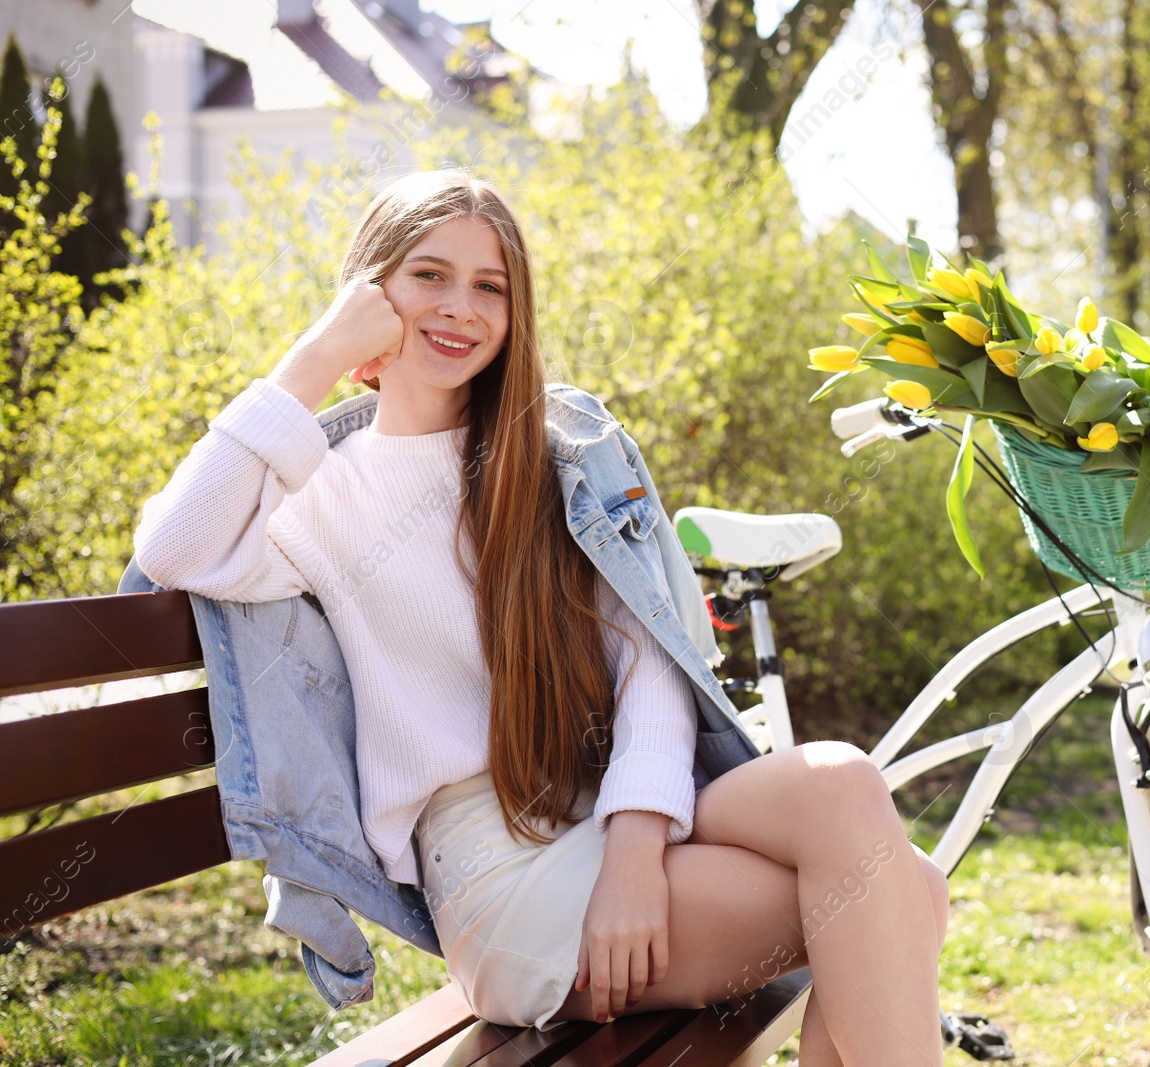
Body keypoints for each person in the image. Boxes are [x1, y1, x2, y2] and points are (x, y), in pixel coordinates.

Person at [131, 169, 949, 1066]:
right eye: (429, 276)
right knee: (899, 891)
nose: (461, 308)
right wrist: (320, 351)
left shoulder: (557, 461)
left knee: (842, 783)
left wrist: (635, 852)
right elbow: (172, 545)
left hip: (611, 814)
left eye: (491, 287)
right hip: (505, 878)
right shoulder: (322, 493)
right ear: (372, 288)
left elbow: (649, 666)